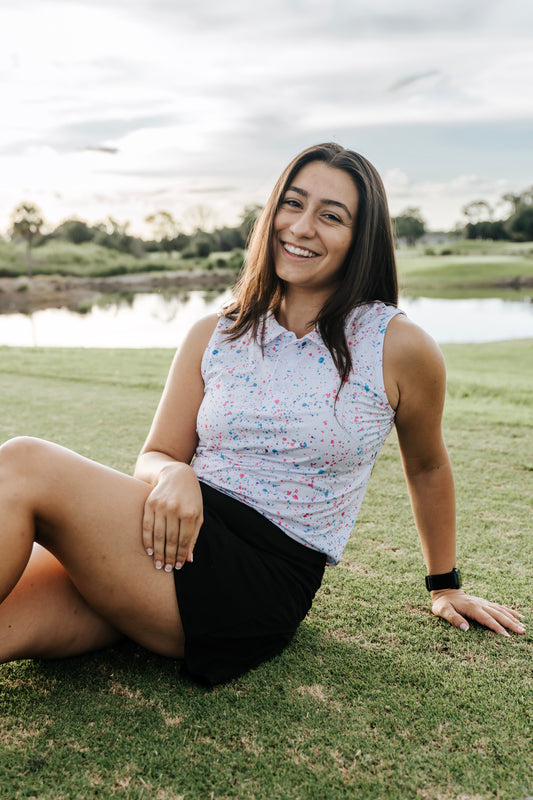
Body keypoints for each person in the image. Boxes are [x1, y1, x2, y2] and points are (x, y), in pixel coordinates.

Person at [0, 143, 525, 685]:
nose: (300, 227)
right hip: (172, 537)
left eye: (330, 216)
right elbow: (156, 456)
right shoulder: (214, 334)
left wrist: (445, 585)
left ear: (360, 239)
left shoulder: (397, 346)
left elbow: (427, 466)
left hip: (261, 578)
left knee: (24, 463)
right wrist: (174, 472)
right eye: (292, 204)